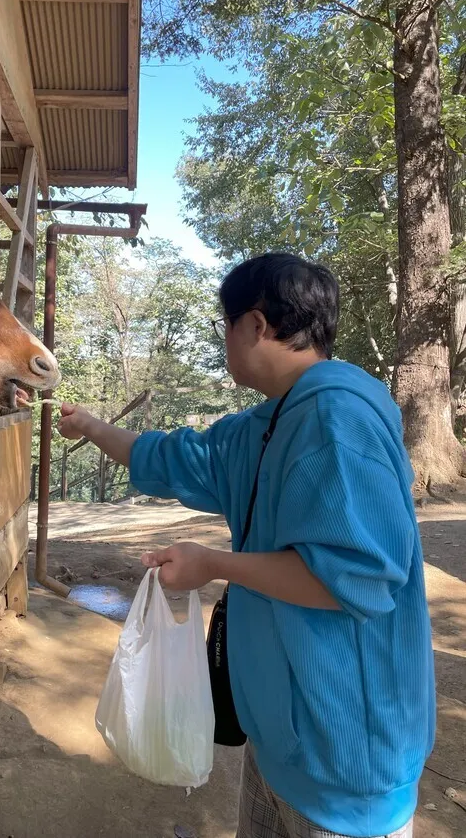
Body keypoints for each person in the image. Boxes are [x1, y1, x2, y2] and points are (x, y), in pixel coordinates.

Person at [56, 253, 434, 838]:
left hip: (346, 754)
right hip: (279, 735)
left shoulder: (339, 420)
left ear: (256, 326)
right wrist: (93, 427)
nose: (225, 342)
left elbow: (355, 578)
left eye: (225, 327)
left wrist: (211, 564)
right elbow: (172, 459)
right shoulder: (265, 425)